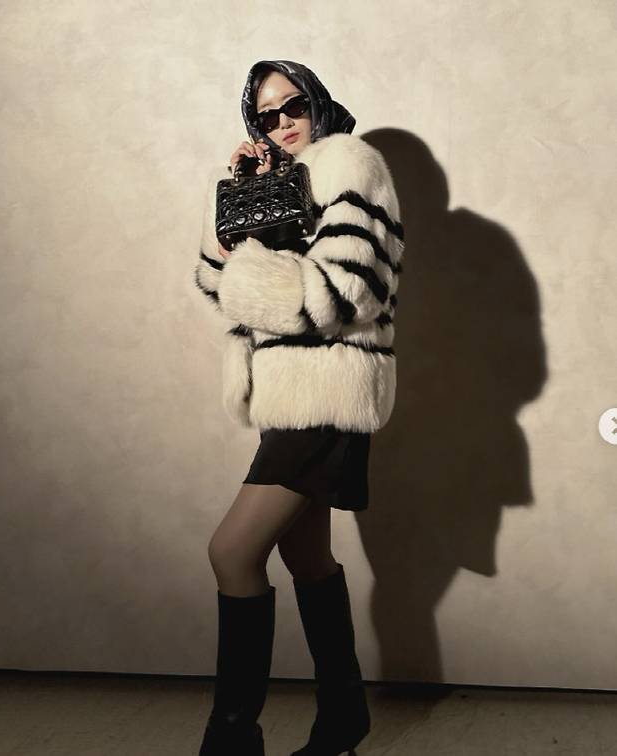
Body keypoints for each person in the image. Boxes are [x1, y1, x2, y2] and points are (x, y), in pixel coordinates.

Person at [194, 59, 405, 756]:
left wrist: (255, 268)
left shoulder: (348, 163)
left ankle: (232, 740)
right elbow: (214, 283)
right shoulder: (281, 177)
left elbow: (346, 292)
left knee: (232, 551)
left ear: (317, 102)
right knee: (306, 557)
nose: (282, 123)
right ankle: (344, 718)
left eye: (294, 106)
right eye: (266, 115)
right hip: (288, 398)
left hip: (329, 392)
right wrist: (241, 200)